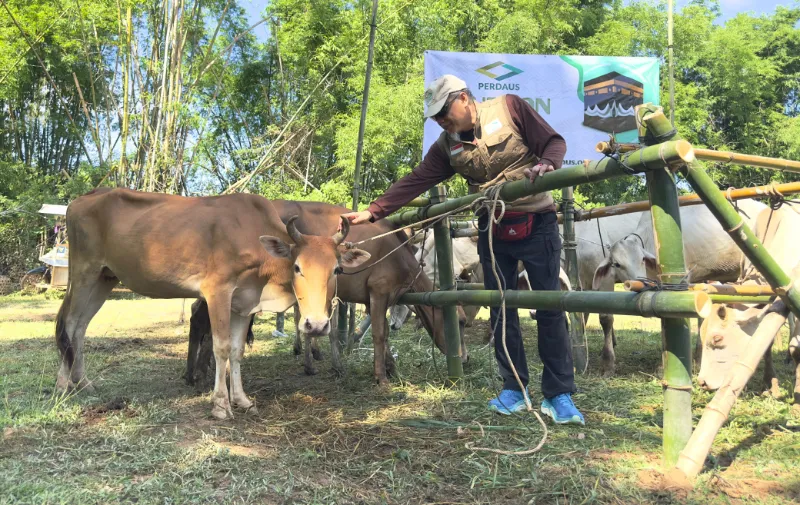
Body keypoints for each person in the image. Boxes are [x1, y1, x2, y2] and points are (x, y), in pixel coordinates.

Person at [342, 75, 584, 425]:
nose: (441, 120)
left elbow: (553, 142)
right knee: (501, 308)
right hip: (491, 229)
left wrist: (548, 163)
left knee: (549, 305)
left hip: (537, 222)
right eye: (436, 116)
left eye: (445, 111)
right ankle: (514, 389)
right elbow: (416, 179)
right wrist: (373, 211)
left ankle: (558, 394)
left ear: (465, 99)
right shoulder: (447, 146)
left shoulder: (510, 107)